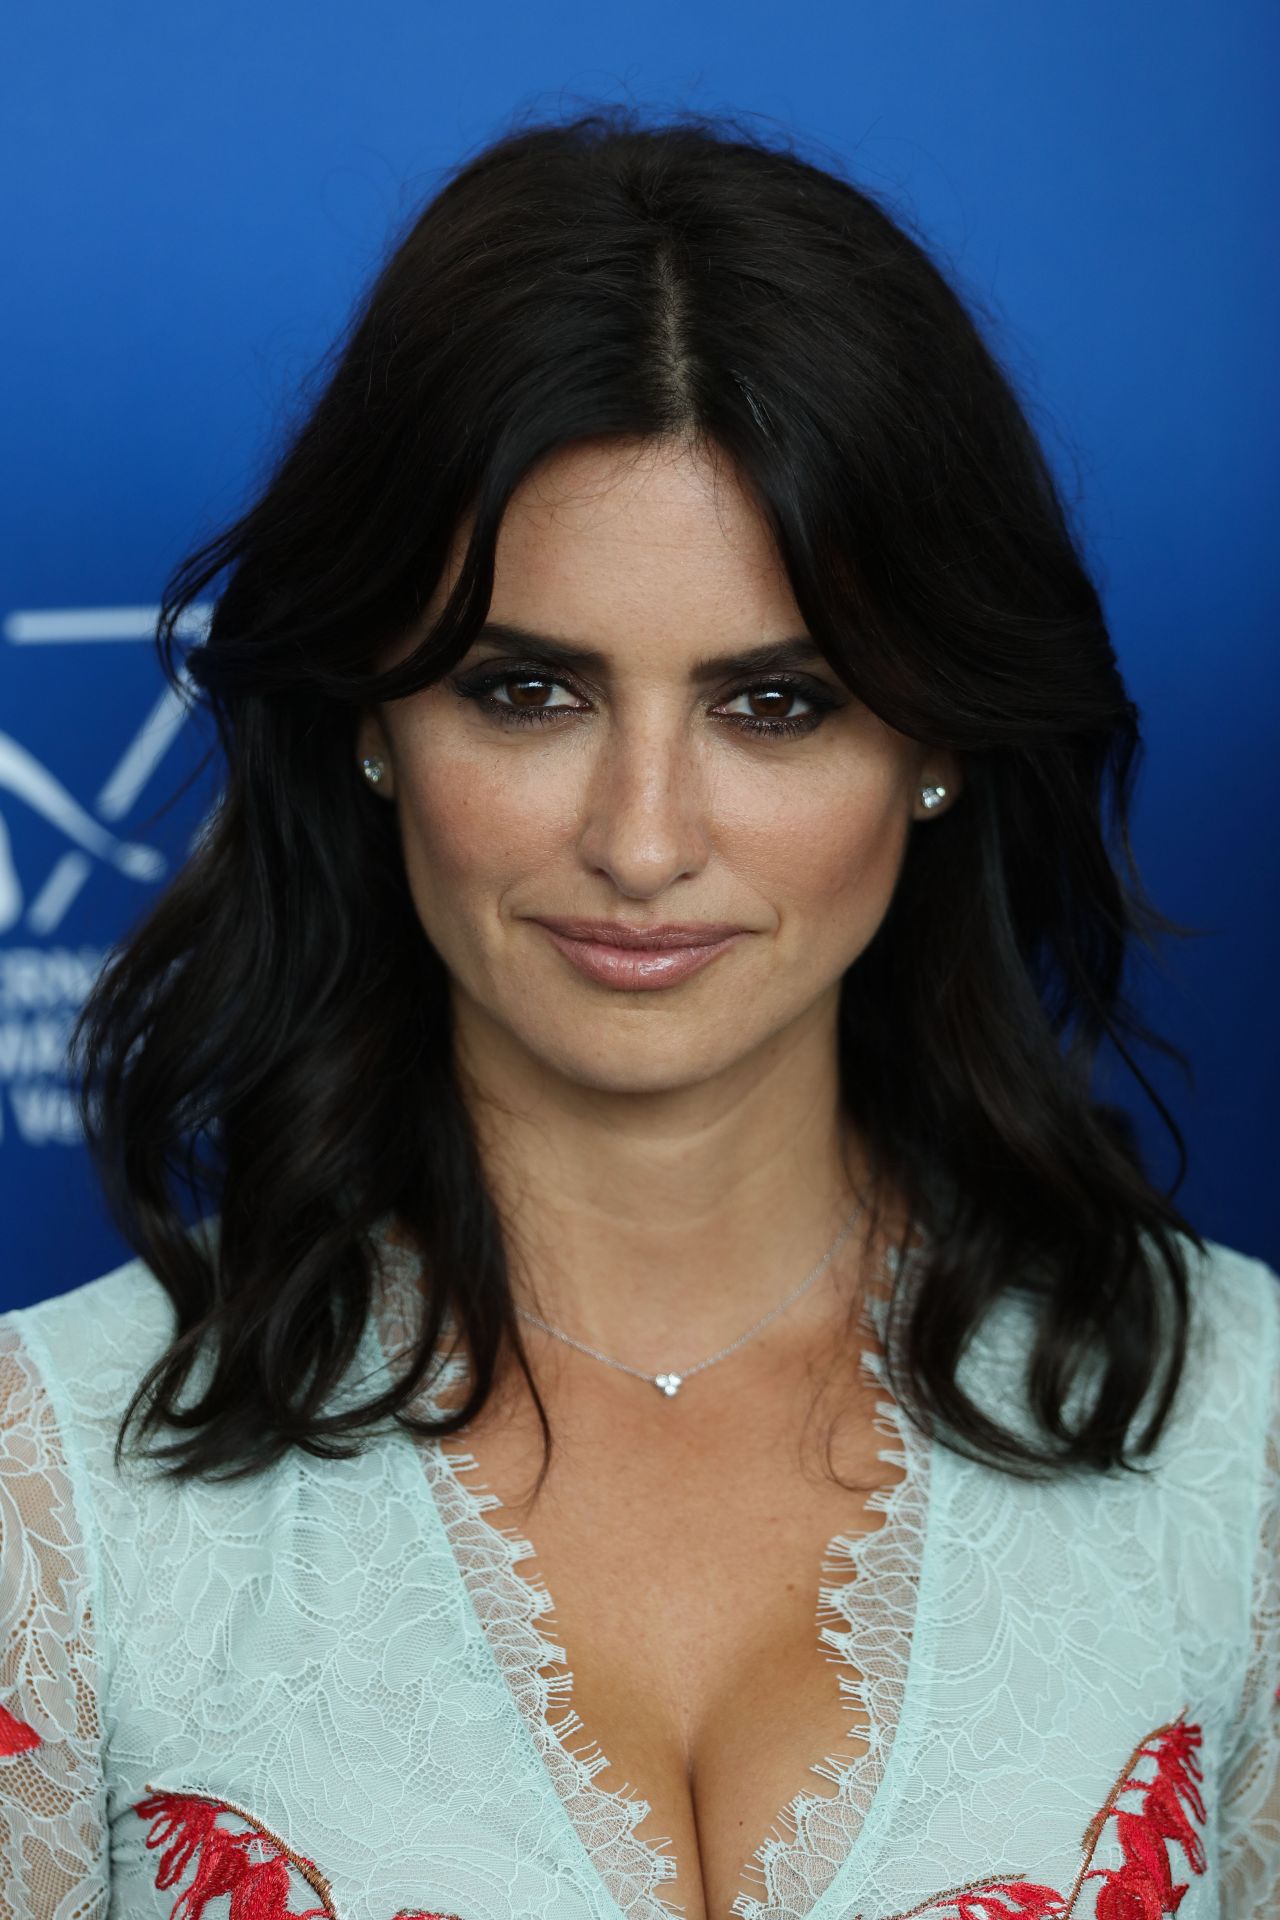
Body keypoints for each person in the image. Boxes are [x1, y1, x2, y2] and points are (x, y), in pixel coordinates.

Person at [1, 104, 1275, 1920]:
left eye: (778, 705)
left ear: (934, 748)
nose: (645, 838)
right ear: (371, 721)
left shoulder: (1251, 1443)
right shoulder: (47, 1493)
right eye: (528, 692)